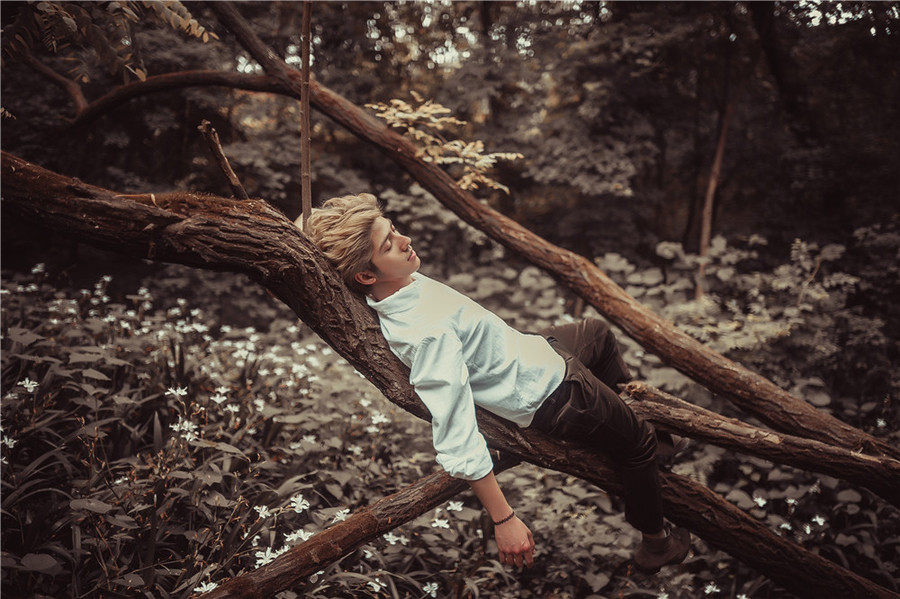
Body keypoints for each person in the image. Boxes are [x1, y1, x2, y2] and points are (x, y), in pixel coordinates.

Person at [302, 193, 691, 574]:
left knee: (596, 334)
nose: (405, 241)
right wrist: (504, 519)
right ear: (367, 275)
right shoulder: (427, 333)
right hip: (555, 392)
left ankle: (624, 422)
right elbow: (457, 433)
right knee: (640, 444)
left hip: (531, 352)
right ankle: (656, 542)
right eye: (389, 244)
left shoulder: (399, 282)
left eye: (395, 230)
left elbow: (316, 240)